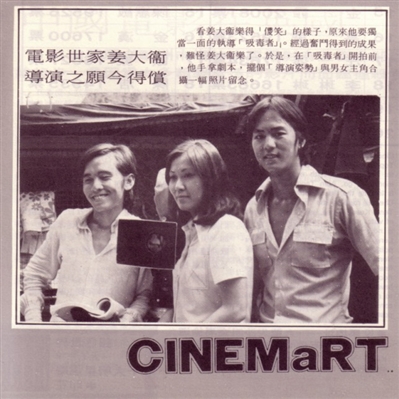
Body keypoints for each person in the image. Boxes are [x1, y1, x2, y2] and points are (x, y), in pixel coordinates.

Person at [244, 96, 379, 324]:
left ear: (301, 140)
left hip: (323, 343)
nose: (268, 144)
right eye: (259, 136)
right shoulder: (253, 208)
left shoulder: (341, 197)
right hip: (269, 343)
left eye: (278, 133)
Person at [20, 143, 153, 323]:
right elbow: (34, 275)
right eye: (88, 179)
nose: (95, 186)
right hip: (60, 337)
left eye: (104, 177)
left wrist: (130, 318)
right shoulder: (67, 222)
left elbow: (144, 294)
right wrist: (33, 319)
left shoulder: (142, 233)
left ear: (128, 181)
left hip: (110, 341)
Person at [159, 139, 253, 323]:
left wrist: (186, 342)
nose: (178, 186)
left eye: (188, 175)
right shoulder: (192, 232)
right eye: (173, 177)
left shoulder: (226, 228)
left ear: (211, 179)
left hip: (209, 348)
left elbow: (235, 309)